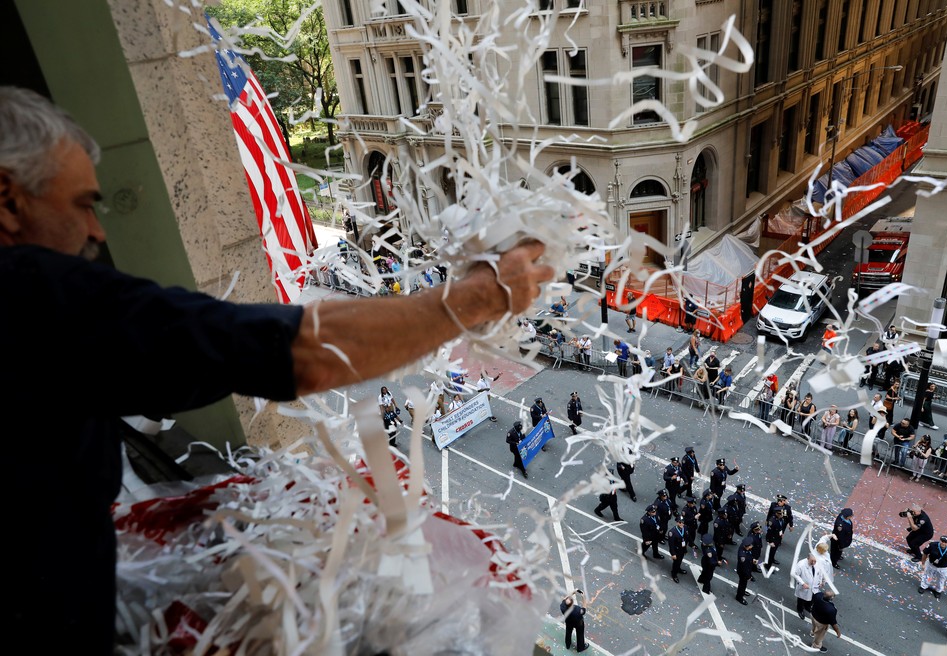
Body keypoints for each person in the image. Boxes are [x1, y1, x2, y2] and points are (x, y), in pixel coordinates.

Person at [0, 86, 554, 653]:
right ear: (7, 198)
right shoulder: (31, 291)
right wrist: (481, 297)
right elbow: (301, 354)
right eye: (83, 204)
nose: (98, 232)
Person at [919, 535, 947, 599]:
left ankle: (938, 590)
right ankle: (924, 586)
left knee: (941, 579)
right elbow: (925, 553)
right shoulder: (932, 545)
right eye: (942, 541)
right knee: (928, 576)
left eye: (945, 542)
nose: (943, 543)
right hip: (931, 565)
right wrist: (923, 563)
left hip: (943, 568)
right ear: (940, 541)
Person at [792, 554, 825, 620]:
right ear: (807, 558)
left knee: (812, 598)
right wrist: (803, 583)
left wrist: (821, 581)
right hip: (804, 586)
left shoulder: (817, 563)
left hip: (814, 586)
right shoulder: (801, 564)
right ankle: (800, 610)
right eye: (811, 561)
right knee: (801, 599)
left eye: (815, 561)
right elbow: (795, 574)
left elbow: (820, 572)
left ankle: (807, 606)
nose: (813, 563)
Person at [667, 514, 689, 583]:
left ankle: (678, 569)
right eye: (680, 522)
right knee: (676, 562)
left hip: (682, 548)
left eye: (683, 522)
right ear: (677, 522)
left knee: (680, 560)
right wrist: (673, 553)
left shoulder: (685, 527)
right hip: (676, 550)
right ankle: (674, 574)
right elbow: (671, 544)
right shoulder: (672, 532)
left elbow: (686, 538)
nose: (682, 523)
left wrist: (685, 549)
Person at [735, 538, 756, 605]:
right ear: (746, 546)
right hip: (743, 572)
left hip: (746, 569)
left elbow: (749, 555)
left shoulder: (745, 547)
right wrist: (748, 576)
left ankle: (742, 591)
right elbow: (745, 568)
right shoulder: (742, 556)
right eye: (750, 545)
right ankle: (739, 597)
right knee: (742, 584)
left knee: (743, 584)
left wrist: (752, 560)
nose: (752, 546)